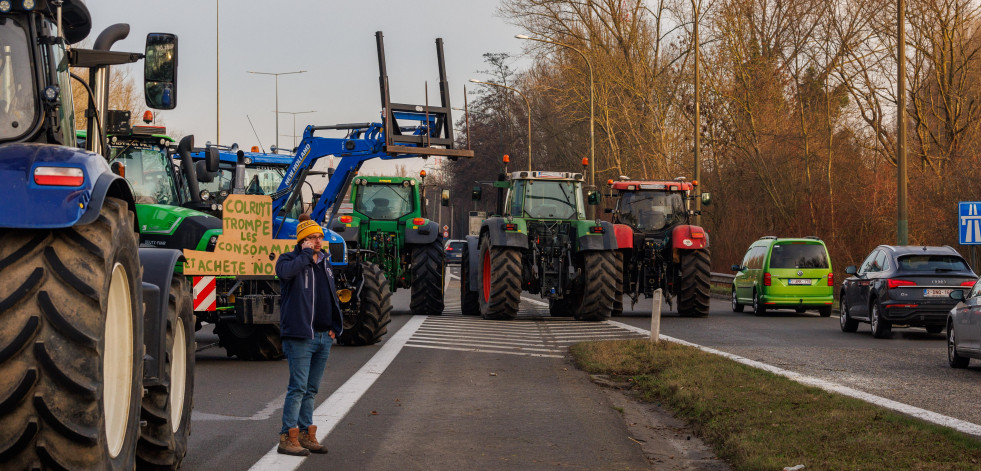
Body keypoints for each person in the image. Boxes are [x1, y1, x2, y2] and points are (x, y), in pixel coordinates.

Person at [274, 214, 343, 456]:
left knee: (311, 389)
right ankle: (287, 437)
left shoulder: (325, 262)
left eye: (319, 237)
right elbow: (284, 274)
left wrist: (335, 325)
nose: (317, 241)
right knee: (298, 388)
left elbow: (330, 295)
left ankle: (305, 434)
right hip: (301, 336)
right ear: (302, 240)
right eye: (312, 238)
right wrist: (304, 255)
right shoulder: (288, 260)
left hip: (324, 336)